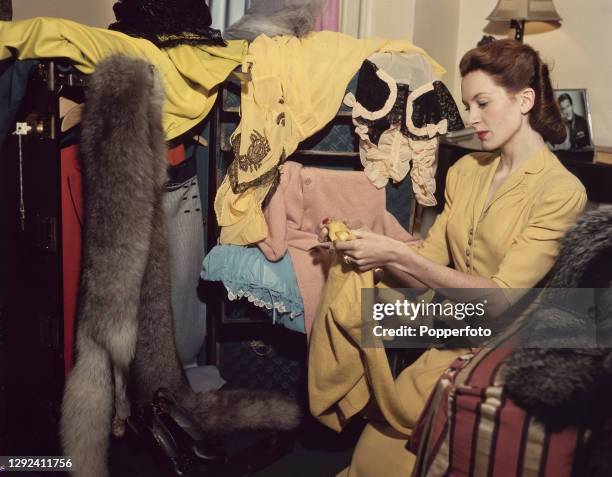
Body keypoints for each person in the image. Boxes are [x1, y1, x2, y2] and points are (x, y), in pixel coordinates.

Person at [310, 39, 587, 477]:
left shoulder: (561, 191)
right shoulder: (464, 172)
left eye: (482, 103)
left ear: (525, 100)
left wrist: (399, 253)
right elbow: (426, 272)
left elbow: (498, 300)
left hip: (505, 339)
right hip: (454, 319)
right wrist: (371, 252)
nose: (471, 118)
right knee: (353, 313)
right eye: (466, 104)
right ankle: (338, 403)